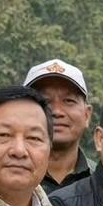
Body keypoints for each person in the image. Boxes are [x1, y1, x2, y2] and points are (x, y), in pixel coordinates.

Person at [24, 60, 93, 195]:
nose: (56, 111)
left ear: (87, 115)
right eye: (44, 101)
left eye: (69, 101)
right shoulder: (4, 179)